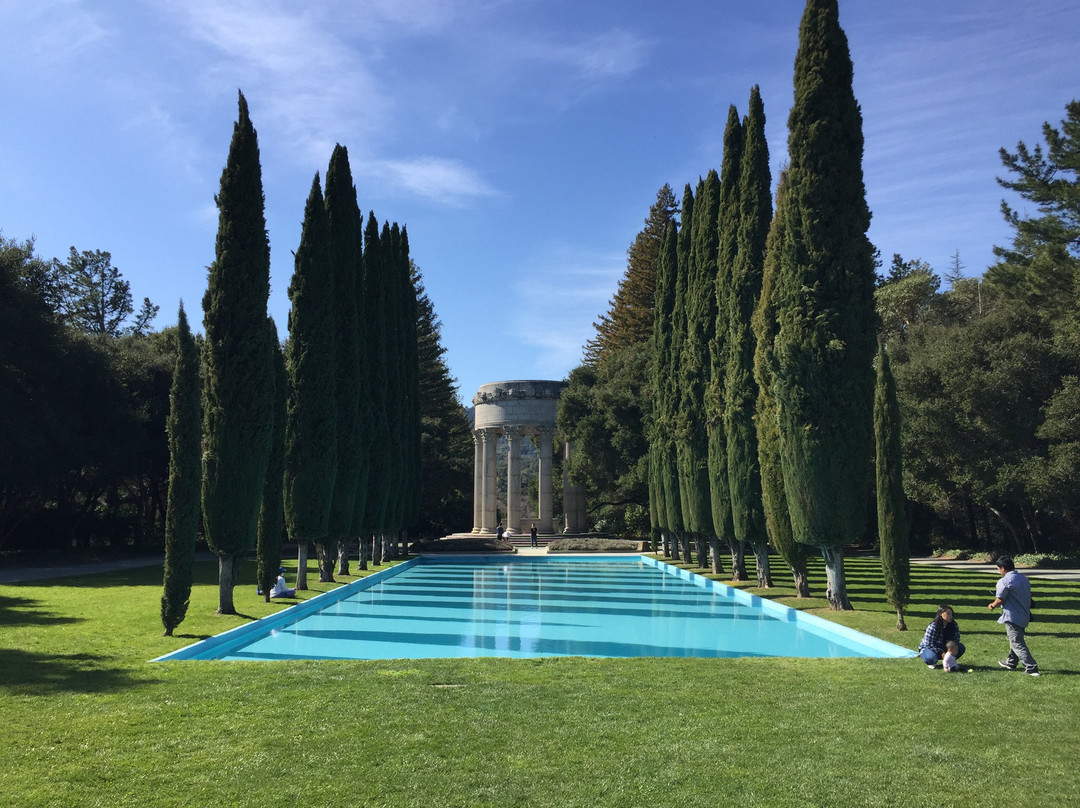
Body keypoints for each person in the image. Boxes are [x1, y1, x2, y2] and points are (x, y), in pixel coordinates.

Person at [988, 555, 1039, 676]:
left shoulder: (1004, 581)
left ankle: (1031, 667)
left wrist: (992, 605)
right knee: (1016, 639)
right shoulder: (1024, 579)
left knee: (1016, 642)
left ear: (1002, 568)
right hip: (1024, 614)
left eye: (998, 569)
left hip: (1012, 616)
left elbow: (1000, 599)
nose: (999, 571)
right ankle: (1011, 663)